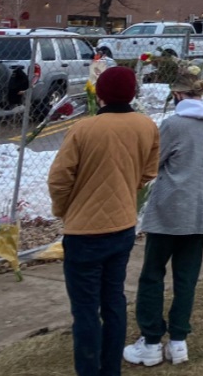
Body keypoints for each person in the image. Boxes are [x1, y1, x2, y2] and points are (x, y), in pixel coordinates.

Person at [48, 66, 159, 376]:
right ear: (133, 93)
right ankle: (111, 370)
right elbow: (149, 172)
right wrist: (125, 189)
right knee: (114, 301)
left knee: (85, 309)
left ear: (100, 94)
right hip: (123, 227)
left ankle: (88, 369)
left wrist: (63, 209)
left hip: (84, 232)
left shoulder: (83, 129)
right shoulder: (147, 126)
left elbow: (59, 179)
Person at [124, 71, 203, 367]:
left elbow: (153, 163)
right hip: (202, 209)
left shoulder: (174, 124)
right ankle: (179, 339)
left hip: (170, 208)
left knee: (153, 274)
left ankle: (152, 340)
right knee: (187, 277)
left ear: (178, 95)